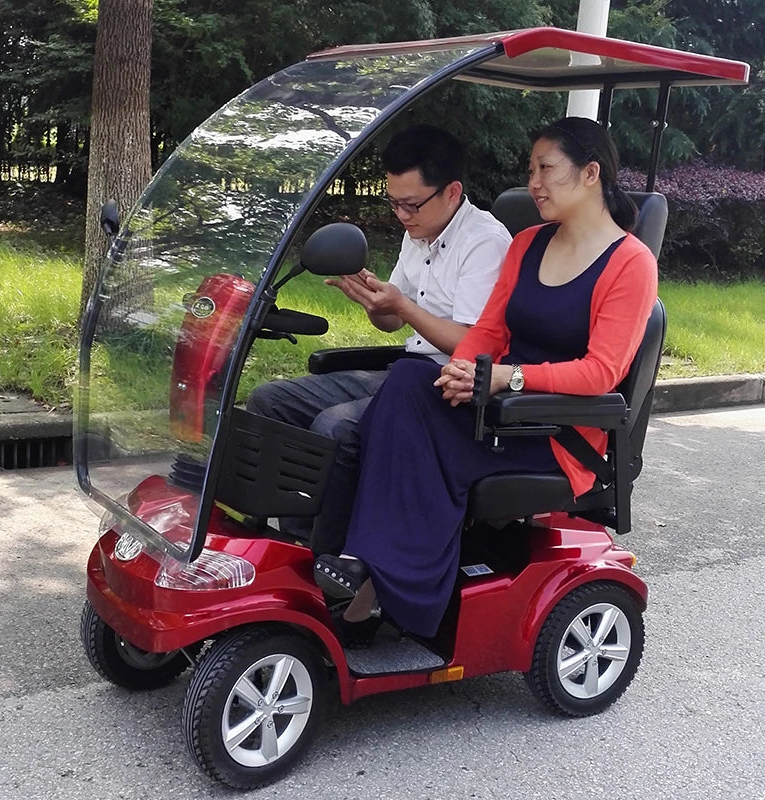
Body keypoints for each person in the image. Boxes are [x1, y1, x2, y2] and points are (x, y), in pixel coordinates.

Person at [314, 116, 659, 643]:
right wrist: (462, 369)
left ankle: (375, 581)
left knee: (401, 418)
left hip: (554, 434)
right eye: (531, 169)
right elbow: (490, 330)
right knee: (408, 380)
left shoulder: (630, 263)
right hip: (496, 409)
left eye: (545, 168)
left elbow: (601, 372)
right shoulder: (527, 244)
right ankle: (365, 569)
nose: (533, 183)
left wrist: (505, 379)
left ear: (591, 174)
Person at [246, 124, 512, 555]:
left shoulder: (484, 242)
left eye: (411, 205)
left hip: (453, 387)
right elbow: (393, 326)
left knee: (336, 425)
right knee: (270, 400)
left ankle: (330, 556)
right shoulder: (417, 232)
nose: (402, 217)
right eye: (394, 203)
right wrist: (377, 307)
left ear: (451, 192)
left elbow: (470, 343)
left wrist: (403, 307)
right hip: (406, 370)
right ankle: (291, 538)